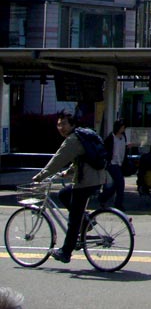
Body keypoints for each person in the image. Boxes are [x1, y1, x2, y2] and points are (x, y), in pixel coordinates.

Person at [31, 110, 107, 264]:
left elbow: (57, 160)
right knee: (63, 195)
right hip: (94, 179)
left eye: (64, 124)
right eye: (59, 125)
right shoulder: (81, 137)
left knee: (73, 220)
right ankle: (85, 222)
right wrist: (67, 173)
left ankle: (65, 252)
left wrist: (40, 176)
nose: (61, 127)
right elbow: (82, 159)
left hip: (86, 182)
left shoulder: (72, 140)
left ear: (72, 124)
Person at [98, 119, 128, 211]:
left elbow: (123, 148)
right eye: (122, 127)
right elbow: (105, 149)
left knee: (116, 185)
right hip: (112, 163)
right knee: (120, 183)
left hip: (120, 162)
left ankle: (103, 197)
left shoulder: (123, 137)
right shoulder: (111, 137)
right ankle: (118, 203)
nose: (123, 129)